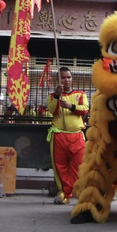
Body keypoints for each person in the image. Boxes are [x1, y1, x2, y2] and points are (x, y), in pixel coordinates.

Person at [47, 67, 89, 205]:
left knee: (80, 165)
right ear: (57, 80)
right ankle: (63, 192)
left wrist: (70, 106)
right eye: (63, 78)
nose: (66, 80)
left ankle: (78, 190)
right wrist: (58, 97)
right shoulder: (52, 96)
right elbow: (52, 110)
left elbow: (85, 110)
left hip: (77, 136)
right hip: (59, 135)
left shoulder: (81, 94)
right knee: (60, 166)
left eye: (68, 77)